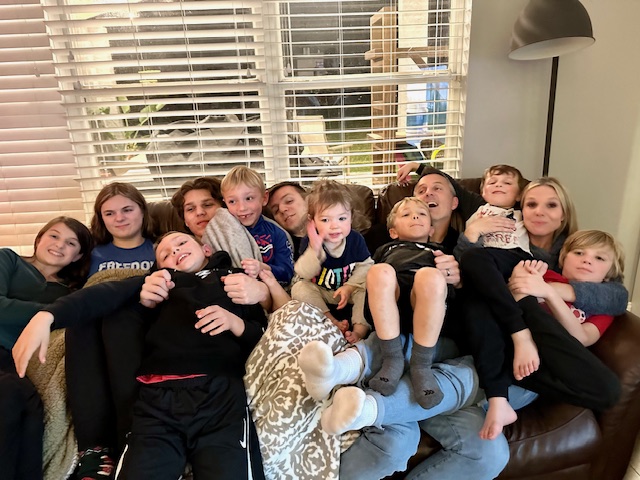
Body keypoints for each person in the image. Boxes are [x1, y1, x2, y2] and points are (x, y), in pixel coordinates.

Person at [13, 232, 267, 480]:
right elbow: (105, 293)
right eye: (165, 255)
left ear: (206, 249)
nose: (175, 250)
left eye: (181, 242)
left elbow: (262, 334)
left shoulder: (233, 278)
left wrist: (236, 323)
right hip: (157, 400)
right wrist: (48, 316)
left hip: (220, 393)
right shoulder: (162, 283)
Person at [458, 177, 625, 441]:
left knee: (609, 391)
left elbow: (617, 296)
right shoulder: (509, 247)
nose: (539, 212)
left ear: (564, 215)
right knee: (479, 295)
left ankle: (503, 375)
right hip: (505, 330)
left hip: (548, 348)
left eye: (551, 205)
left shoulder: (573, 251)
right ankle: (504, 374)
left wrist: (548, 290)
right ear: (521, 210)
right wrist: (471, 236)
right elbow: (472, 265)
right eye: (531, 204)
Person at [65, 182, 157, 478]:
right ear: (101, 219)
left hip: (141, 322)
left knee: (117, 320)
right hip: (94, 329)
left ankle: (129, 437)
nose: (119, 218)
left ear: (142, 210)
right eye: (110, 213)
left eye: (127, 209)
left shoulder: (162, 247)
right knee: (81, 319)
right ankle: (95, 451)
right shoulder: (89, 255)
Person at [0, 216, 92, 480]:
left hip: (15, 359)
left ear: (78, 256)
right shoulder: (9, 259)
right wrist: (49, 314)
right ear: (39, 238)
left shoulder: (68, 294)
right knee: (9, 392)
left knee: (30, 404)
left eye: (71, 243)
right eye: (54, 236)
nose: (60, 245)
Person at [364, 197, 449, 408]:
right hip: (389, 304)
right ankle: (393, 358)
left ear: (431, 229)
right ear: (393, 232)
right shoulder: (386, 249)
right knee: (379, 270)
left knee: (430, 276)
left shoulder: (439, 250)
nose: (415, 217)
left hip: (426, 308)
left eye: (421, 214)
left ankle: (421, 365)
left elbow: (450, 286)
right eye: (406, 214)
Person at [292, 180, 373, 342]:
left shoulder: (355, 239)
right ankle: (331, 322)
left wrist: (349, 287)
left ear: (351, 217)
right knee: (299, 288)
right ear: (312, 221)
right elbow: (303, 273)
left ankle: (359, 331)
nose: (334, 226)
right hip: (322, 291)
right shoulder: (311, 241)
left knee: (367, 290)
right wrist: (314, 251)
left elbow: (366, 266)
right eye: (325, 220)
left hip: (349, 290)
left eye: (342, 218)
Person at [221, 166, 294, 284]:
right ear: (225, 203)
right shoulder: (223, 233)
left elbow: (287, 273)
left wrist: (262, 268)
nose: (242, 208)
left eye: (249, 198)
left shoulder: (277, 233)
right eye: (232, 201)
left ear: (264, 198)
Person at [267, 181, 308, 259]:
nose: (282, 209)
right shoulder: (282, 252)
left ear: (308, 200)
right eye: (276, 210)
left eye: (289, 201)